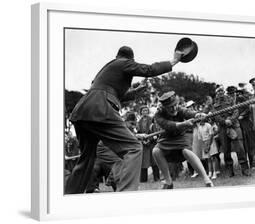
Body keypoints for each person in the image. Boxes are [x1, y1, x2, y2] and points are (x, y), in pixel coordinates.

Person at [65, 45, 189, 194]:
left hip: (82, 111)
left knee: (86, 159)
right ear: (129, 59)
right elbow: (149, 70)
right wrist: (174, 61)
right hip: (100, 108)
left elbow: (110, 91)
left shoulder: (105, 71)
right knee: (134, 147)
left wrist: (133, 93)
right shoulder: (123, 62)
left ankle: (69, 195)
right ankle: (126, 194)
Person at [152, 91, 213, 189]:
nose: (174, 108)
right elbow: (169, 125)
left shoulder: (179, 109)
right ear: (164, 107)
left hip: (181, 138)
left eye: (175, 105)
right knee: (156, 151)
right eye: (170, 107)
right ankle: (168, 182)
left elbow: (188, 112)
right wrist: (184, 124)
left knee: (186, 151)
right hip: (166, 138)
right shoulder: (158, 115)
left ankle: (207, 180)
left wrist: (198, 114)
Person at [213, 86, 250, 177]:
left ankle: (245, 169)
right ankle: (230, 170)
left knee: (240, 147)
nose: (220, 92)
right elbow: (216, 116)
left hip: (234, 125)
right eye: (218, 91)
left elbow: (236, 111)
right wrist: (224, 121)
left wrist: (231, 120)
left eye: (221, 90)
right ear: (216, 93)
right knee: (226, 149)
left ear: (224, 91)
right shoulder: (214, 104)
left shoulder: (231, 100)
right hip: (223, 128)